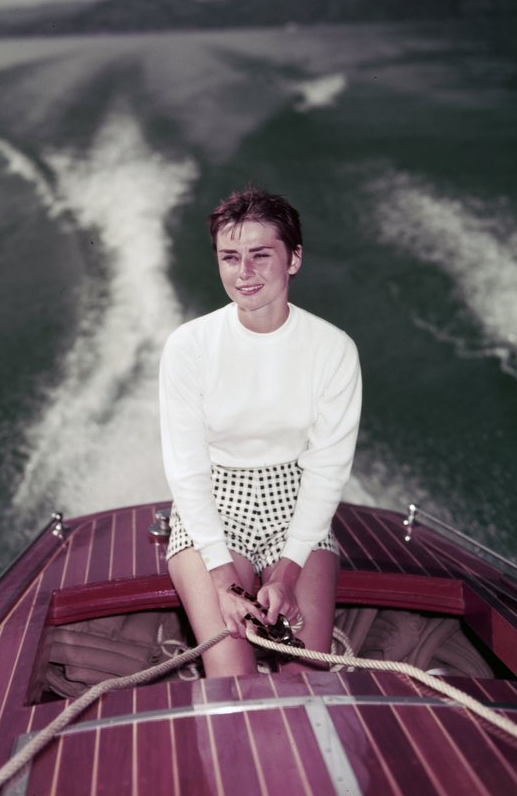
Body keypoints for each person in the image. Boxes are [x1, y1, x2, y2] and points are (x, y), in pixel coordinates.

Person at [159, 186, 362, 677]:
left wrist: (289, 570)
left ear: (294, 259)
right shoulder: (189, 346)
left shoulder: (333, 349)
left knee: (308, 677)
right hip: (212, 502)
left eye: (260, 255)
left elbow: (327, 470)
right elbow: (187, 470)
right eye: (230, 257)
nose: (243, 273)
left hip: (296, 503)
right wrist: (224, 579)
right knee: (232, 679)